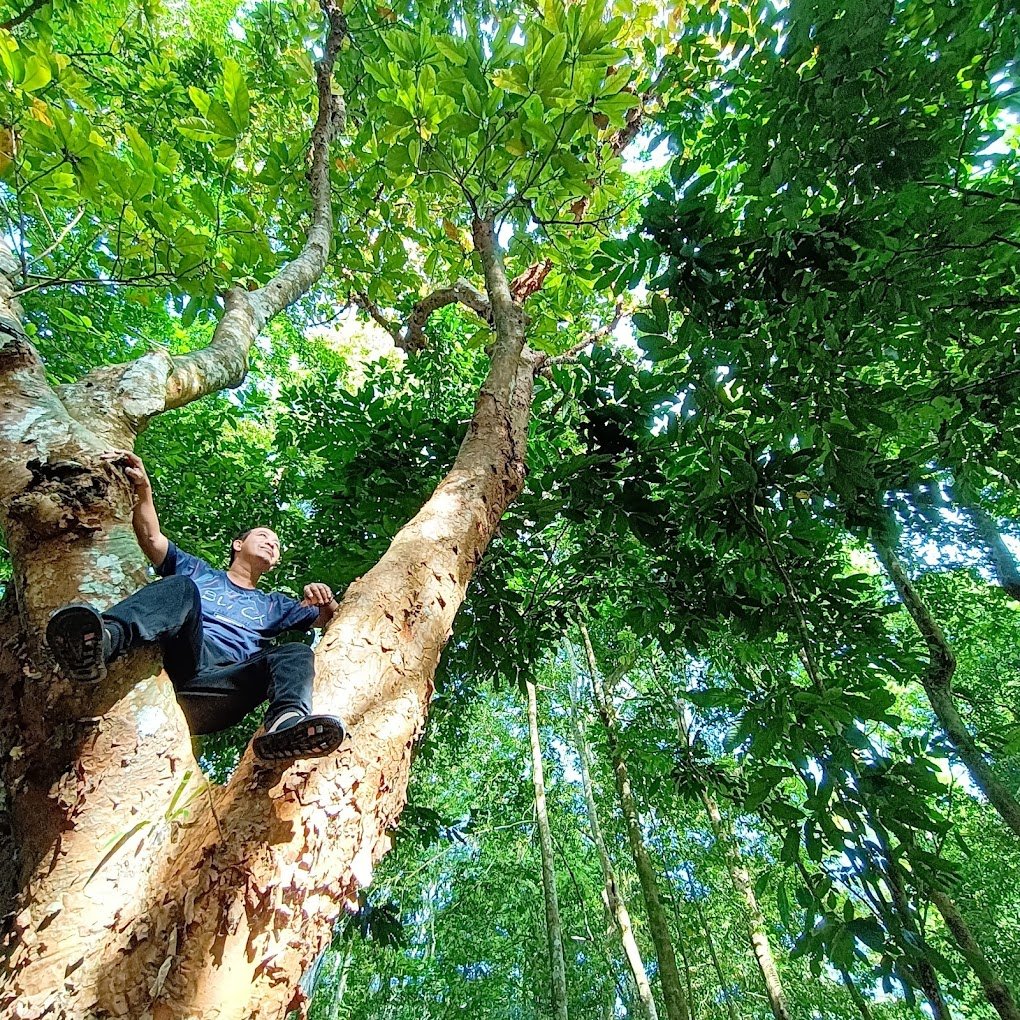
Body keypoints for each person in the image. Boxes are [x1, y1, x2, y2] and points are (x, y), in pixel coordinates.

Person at [45, 451, 346, 764]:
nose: (271, 543)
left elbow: (328, 619)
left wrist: (327, 598)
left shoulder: (274, 604)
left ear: (275, 563)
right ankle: (99, 643)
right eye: (263, 536)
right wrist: (143, 490)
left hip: (222, 689)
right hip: (185, 660)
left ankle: (288, 725)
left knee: (296, 652)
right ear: (238, 544)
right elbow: (151, 537)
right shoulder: (197, 572)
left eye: (276, 544)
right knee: (182, 587)